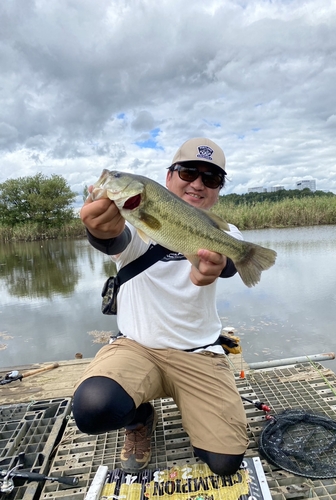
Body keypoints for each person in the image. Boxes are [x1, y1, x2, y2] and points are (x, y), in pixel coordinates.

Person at [73, 137, 249, 476]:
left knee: (225, 462)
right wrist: (99, 230)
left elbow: (226, 261)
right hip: (138, 349)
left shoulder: (226, 232)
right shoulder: (135, 224)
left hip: (200, 354)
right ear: (169, 177)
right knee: (94, 407)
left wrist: (215, 267)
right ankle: (139, 419)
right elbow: (113, 237)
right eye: (187, 172)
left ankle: (197, 411)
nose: (197, 183)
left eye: (210, 179)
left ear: (217, 190)